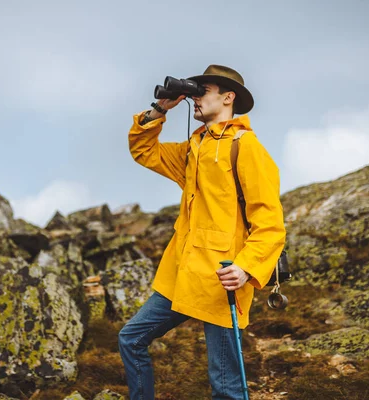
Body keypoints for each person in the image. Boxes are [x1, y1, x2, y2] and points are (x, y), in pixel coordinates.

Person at [119, 64, 286, 399]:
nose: (195, 97)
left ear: (228, 97)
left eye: (203, 91)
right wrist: (160, 109)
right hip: (182, 275)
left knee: (225, 387)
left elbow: (270, 223)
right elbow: (144, 150)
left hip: (223, 278)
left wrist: (245, 268)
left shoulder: (246, 147)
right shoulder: (195, 148)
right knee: (131, 339)